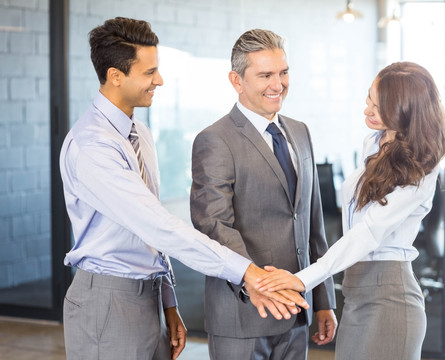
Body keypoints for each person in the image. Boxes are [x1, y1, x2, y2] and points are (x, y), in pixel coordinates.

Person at [60, 18, 307, 360]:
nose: (159, 80)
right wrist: (248, 272)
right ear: (116, 76)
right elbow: (158, 226)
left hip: (148, 299)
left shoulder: (139, 134)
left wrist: (168, 300)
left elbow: (149, 233)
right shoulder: (92, 146)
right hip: (108, 301)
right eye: (150, 72)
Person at [257, 61, 445, 360]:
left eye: (378, 106)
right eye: (368, 99)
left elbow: (367, 232)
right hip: (356, 291)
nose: (367, 110)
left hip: (388, 296)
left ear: (405, 110)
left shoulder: (421, 168)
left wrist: (303, 279)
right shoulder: (374, 144)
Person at [190, 29, 337, 360]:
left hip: (297, 312)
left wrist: (324, 300)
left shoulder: (300, 132)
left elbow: (312, 223)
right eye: (265, 75)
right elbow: (213, 224)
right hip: (242, 316)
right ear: (237, 80)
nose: (278, 84)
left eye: (283, 72)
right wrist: (256, 284)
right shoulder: (215, 139)